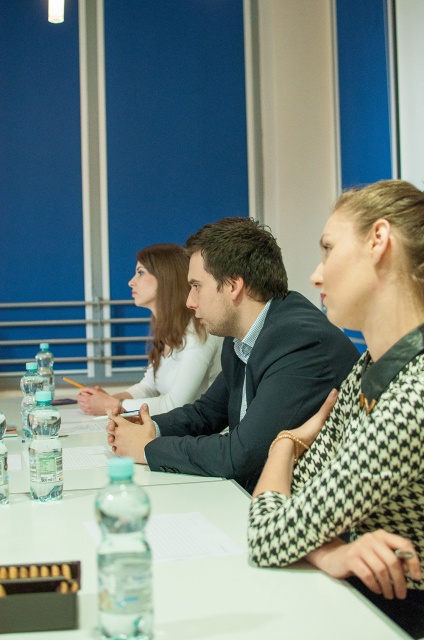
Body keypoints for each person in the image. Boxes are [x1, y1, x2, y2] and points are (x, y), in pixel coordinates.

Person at [247, 180, 424, 638]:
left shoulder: (415, 393)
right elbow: (295, 500)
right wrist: (330, 549)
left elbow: (269, 534)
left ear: (379, 240)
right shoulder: (371, 367)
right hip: (366, 604)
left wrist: (283, 449)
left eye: (328, 250)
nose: (315, 275)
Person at [105, 217, 359, 494]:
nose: (190, 301)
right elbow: (206, 413)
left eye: (196, 286)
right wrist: (148, 426)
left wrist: (147, 447)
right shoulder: (243, 333)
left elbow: (241, 454)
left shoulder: (298, 340)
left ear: (233, 285)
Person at [77, 243, 222, 416]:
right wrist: (106, 400)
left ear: (166, 277)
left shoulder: (199, 330)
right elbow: (148, 387)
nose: (131, 282)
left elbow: (175, 405)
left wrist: (113, 404)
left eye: (140, 273)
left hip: (208, 431)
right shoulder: (168, 329)